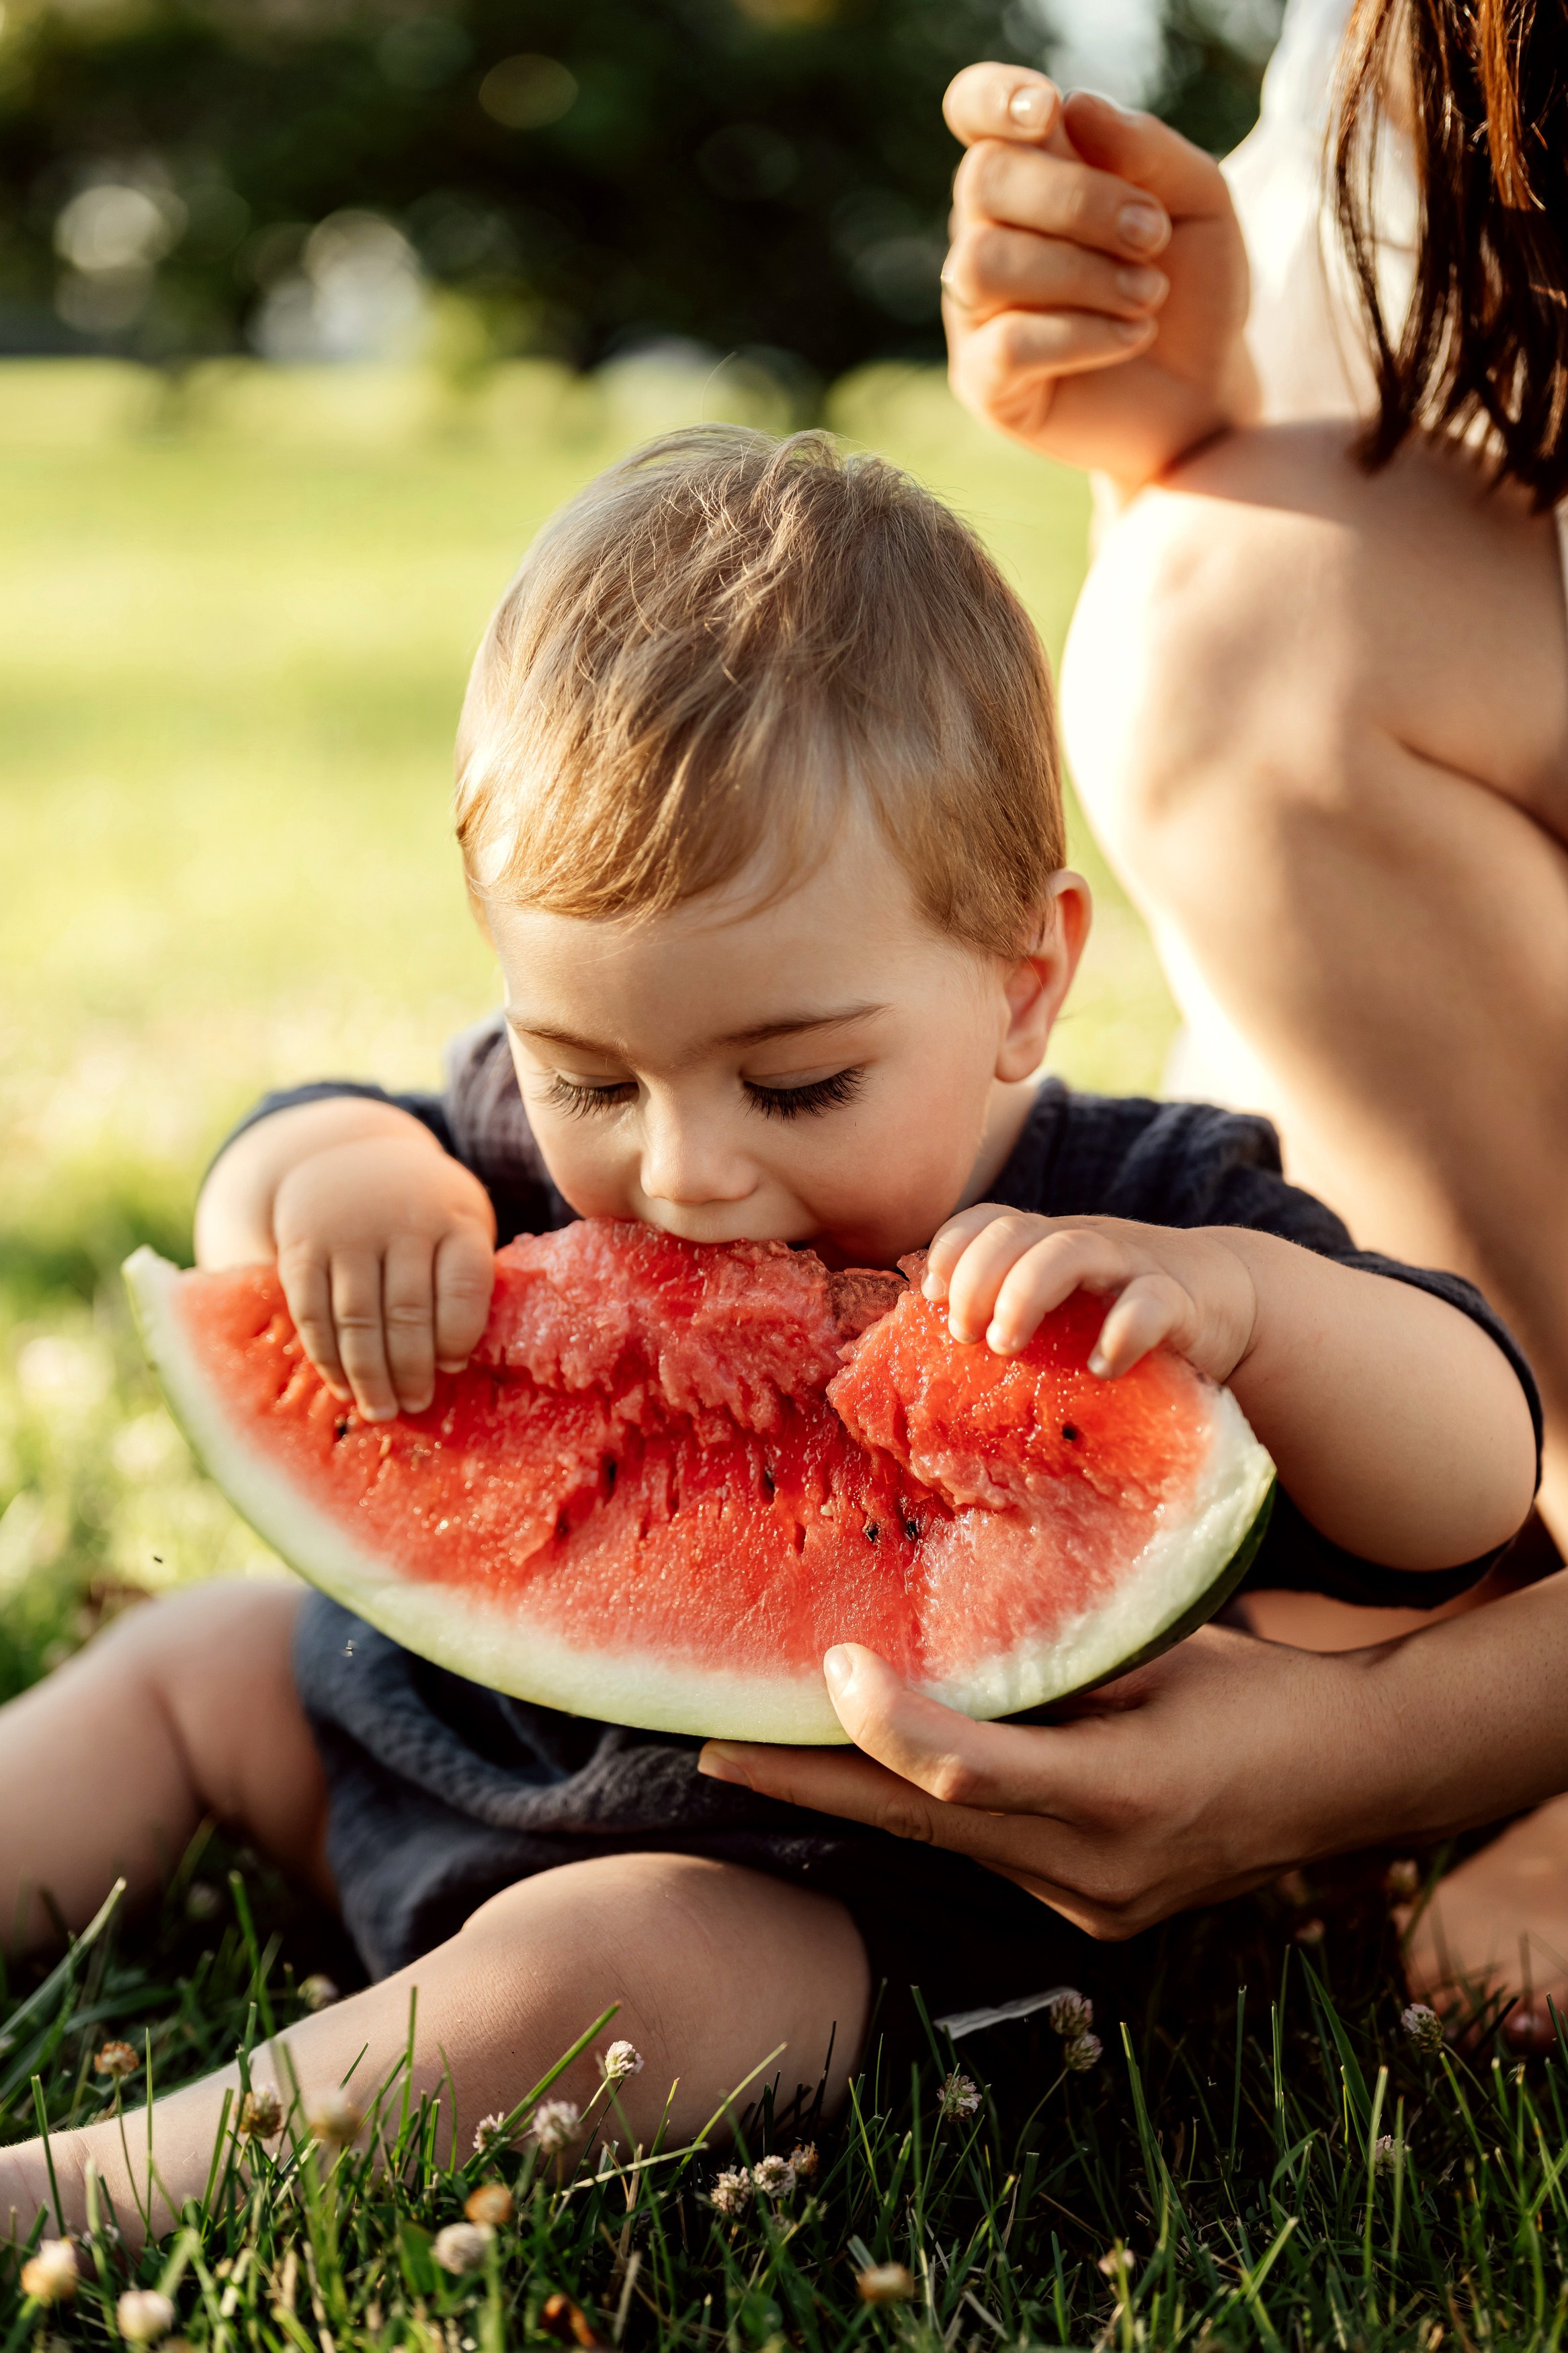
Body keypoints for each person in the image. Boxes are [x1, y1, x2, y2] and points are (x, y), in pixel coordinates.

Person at [0, 424, 1539, 2243]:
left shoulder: (1158, 1209)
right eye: (588, 1069)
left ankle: (74, 2190)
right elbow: (303, 1147)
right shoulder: (493, 1139)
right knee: (196, 1665)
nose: (683, 1170)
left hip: (814, 1900)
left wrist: (1255, 1312)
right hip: (387, 1747)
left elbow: (1475, 1472)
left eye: (798, 1082)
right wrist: (322, 1173)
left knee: (631, 1980)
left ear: (1024, 977)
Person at [715, 1, 1568, 2030]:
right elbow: (1300, 712)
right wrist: (1168, 434)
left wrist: (1374, 1750)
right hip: (1487, 1380)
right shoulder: (1416, 45)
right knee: (1235, 606)